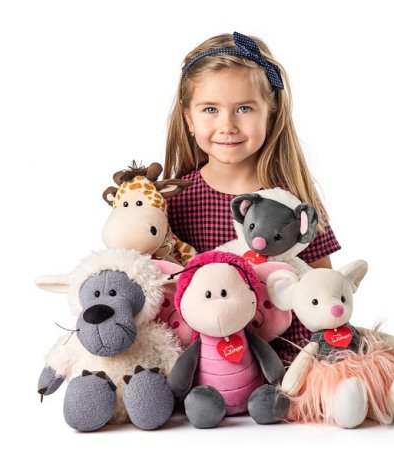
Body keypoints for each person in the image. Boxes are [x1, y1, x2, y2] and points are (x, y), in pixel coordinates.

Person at [164, 31, 341, 364]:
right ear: (189, 118)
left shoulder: (291, 201)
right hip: (204, 361)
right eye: (210, 109)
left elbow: (323, 286)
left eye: (244, 108)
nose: (227, 125)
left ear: (270, 114)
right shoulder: (175, 201)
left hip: (287, 356)